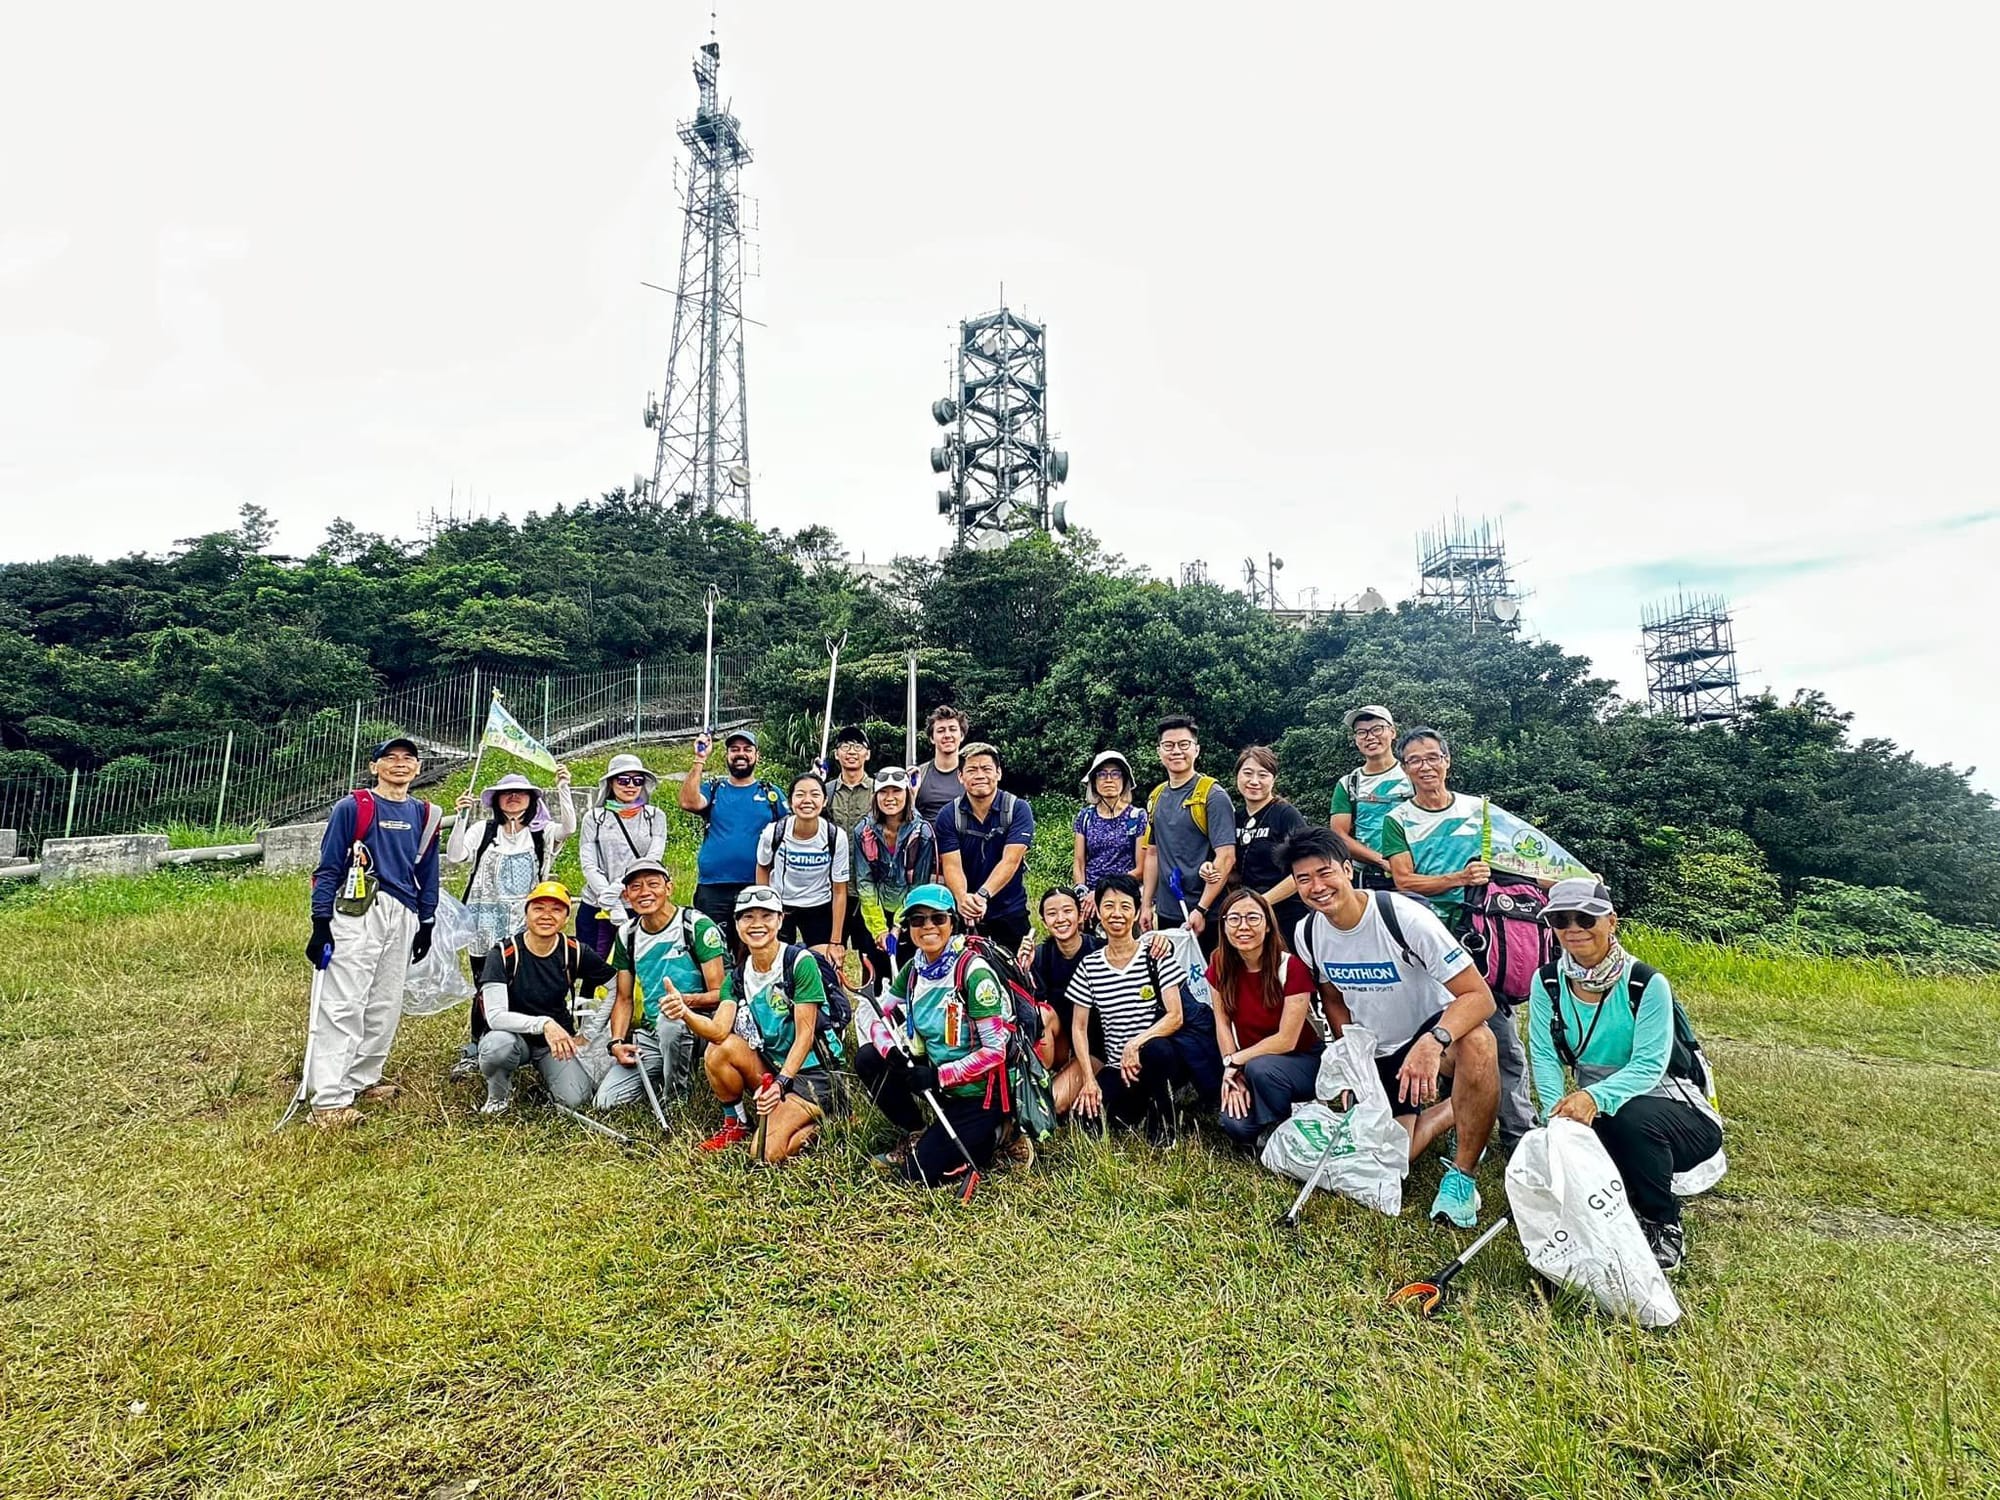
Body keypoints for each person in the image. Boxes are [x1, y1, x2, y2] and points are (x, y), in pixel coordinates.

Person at [1283, 827, 1501, 1229]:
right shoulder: (1308, 932)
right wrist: (1351, 1061)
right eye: (1304, 879)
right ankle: (1458, 1110)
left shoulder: (1402, 917)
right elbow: (1331, 997)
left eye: (1324, 872)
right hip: (1378, 1050)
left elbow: (1479, 997)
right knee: (1390, 1157)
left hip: (1432, 1031)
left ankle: (1462, 1176)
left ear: (1348, 870)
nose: (1317, 887)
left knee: (1479, 1041)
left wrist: (1432, 1042)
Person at [1527, 879, 1724, 1272]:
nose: (1573, 928)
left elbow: (1649, 1066)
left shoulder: (1647, 984)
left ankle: (1662, 1222)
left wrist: (1593, 1098)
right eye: (1560, 920)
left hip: (1671, 1107)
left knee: (1629, 1119)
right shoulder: (1547, 982)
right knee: (1566, 1140)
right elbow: (1544, 1056)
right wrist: (1555, 1116)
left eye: (1585, 917)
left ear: (1611, 921)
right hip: (1603, 1110)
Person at [1379, 726, 1537, 1147]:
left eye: (1432, 757)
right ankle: (1457, 1118)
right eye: (1414, 760)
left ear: (1447, 761)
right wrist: (1458, 878)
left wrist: (1571, 882)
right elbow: (1403, 880)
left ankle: (1519, 1134)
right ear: (1404, 769)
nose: (1425, 766)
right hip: (1424, 939)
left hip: (1484, 940)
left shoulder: (1480, 811)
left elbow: (1520, 859)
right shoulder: (1397, 820)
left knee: (1499, 1035)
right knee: (1436, 1030)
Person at [304, 736, 443, 1129]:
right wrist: (320, 924)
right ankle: (329, 1099)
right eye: (390, 758)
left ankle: (363, 1079)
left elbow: (428, 871)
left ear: (417, 769)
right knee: (345, 1001)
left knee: (385, 1002)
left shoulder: (426, 814)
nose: (400, 764)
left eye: (408, 759)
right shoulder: (354, 808)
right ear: (374, 766)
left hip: (403, 910)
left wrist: (427, 921)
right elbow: (328, 866)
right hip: (357, 909)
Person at [854, 885, 1013, 1187]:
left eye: (937, 918)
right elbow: (878, 1014)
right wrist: (890, 1050)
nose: (928, 926)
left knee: (915, 1177)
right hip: (936, 1082)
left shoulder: (973, 973)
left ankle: (1000, 1132)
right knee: (868, 1058)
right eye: (917, 920)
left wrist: (939, 1076)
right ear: (908, 928)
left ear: (952, 922)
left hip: (978, 1094)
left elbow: (996, 1050)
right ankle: (916, 1130)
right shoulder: (915, 968)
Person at [682, 886, 843, 1162]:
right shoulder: (738, 975)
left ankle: (832, 1118)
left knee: (764, 1154)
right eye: (747, 917)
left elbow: (805, 1035)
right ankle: (736, 1123)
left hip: (812, 1072)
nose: (757, 924)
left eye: (766, 916)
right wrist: (684, 1012)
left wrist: (781, 1084)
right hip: (772, 1067)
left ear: (780, 920)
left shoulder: (798, 962)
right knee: (718, 1050)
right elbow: (719, 1031)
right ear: (737, 924)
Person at [1068, 873, 1200, 1146]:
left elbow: (1175, 1016)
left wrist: (1135, 1045)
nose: (1117, 914)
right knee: (1087, 1121)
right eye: (1109, 906)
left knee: (1157, 1050)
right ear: (1098, 912)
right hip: (1118, 1067)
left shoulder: (1155, 954)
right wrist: (1089, 1080)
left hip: (1156, 1058)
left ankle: (1164, 1121)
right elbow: (1078, 1027)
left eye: (1125, 906)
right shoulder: (1089, 966)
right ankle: (1141, 1106)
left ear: (1137, 911)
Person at [472, 881, 617, 1116]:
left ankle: (551, 1076)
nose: (546, 916)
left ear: (566, 917)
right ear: (526, 912)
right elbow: (495, 1016)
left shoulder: (574, 950)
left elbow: (616, 987)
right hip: (512, 1036)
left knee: (575, 1100)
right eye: (538, 908)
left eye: (556, 909)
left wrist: (589, 1033)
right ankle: (498, 1096)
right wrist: (544, 1023)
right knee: (496, 1047)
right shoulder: (505, 953)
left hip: (555, 1044)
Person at [596, 859, 727, 1111]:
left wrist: (684, 1002)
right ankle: (663, 1068)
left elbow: (720, 994)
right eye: (635, 887)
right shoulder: (627, 934)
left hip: (699, 1025)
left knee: (671, 1021)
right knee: (606, 1102)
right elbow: (623, 998)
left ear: (669, 888)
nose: (644, 892)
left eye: (653, 884)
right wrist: (616, 1042)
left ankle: (676, 1100)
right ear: (626, 895)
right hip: (651, 1032)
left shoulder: (695, 925)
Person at [1207, 887, 1323, 1149]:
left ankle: (1280, 1124)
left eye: (1252, 918)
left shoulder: (1290, 967)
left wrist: (1238, 1061)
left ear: (1268, 925)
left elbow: (1286, 1040)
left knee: (1262, 1069)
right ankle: (1269, 1122)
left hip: (1300, 1060)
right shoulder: (1219, 963)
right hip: (1248, 1061)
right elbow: (1222, 1023)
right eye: (1233, 919)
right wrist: (1231, 1068)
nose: (1243, 926)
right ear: (1224, 927)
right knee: (1233, 1123)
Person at [447, 768, 578, 959]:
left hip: (524, 918)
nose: (513, 796)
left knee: (519, 971)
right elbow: (455, 855)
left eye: (520, 792)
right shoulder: (483, 829)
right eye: (507, 793)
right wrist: (461, 817)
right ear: (497, 800)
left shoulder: (541, 832)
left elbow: (569, 828)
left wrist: (563, 787)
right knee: (485, 976)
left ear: (531, 799)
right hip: (484, 919)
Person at [679, 728, 789, 931]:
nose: (741, 754)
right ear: (727, 755)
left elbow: (792, 829)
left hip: (757, 885)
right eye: (734, 749)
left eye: (747, 749)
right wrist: (699, 759)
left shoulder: (771, 793)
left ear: (757, 756)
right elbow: (688, 802)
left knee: (753, 948)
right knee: (711, 947)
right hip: (713, 886)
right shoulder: (714, 789)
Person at [1139, 715, 1236, 946]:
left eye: (1184, 745)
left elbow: (1227, 856)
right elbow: (1152, 853)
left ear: (1196, 750)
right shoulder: (1156, 796)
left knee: (1209, 979)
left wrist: (1201, 909)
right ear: (1159, 752)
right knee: (1172, 979)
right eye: (1168, 745)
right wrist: (1146, 904)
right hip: (1167, 910)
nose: (1176, 751)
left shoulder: (1213, 795)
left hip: (1207, 913)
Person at [933, 741, 1037, 950]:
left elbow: (1011, 860)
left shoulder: (1017, 809)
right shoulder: (948, 815)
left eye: (986, 768)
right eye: (971, 769)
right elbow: (951, 865)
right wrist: (963, 899)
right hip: (964, 912)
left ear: (998, 773)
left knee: (1016, 976)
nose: (980, 775)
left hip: (1009, 910)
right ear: (960, 777)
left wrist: (982, 896)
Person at [576, 755, 668, 961]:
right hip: (597, 903)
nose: (630, 786)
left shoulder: (655, 816)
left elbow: (652, 859)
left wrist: (620, 887)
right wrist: (611, 902)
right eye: (623, 780)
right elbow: (589, 863)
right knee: (593, 966)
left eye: (637, 781)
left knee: (639, 965)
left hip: (640, 901)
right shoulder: (594, 817)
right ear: (611, 782)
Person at [755, 771, 851, 962]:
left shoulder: (835, 836)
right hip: (782, 906)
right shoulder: (774, 832)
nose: (807, 800)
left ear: (824, 801)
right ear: (790, 802)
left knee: (825, 967)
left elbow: (840, 890)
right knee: (777, 964)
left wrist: (836, 941)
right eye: (800, 794)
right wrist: (766, 908)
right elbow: (763, 867)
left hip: (819, 906)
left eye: (815, 795)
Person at [852, 767, 937, 981]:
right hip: (874, 914)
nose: (890, 798)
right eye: (883, 792)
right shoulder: (863, 832)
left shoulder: (923, 833)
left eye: (896, 791)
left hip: (909, 913)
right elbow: (865, 882)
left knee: (908, 977)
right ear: (875, 796)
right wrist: (879, 929)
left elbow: (918, 885)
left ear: (907, 794)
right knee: (874, 978)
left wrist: (898, 927)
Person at [1229, 746, 1310, 941]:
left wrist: (1262, 903)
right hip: (1251, 916)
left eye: (1263, 775)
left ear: (1273, 779)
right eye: (1247, 773)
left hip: (1288, 913)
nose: (1254, 781)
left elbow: (1304, 870)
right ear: (1237, 776)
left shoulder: (1285, 814)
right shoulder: (1235, 818)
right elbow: (1235, 870)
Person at [1328, 705, 1412, 891]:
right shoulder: (1349, 783)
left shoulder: (1412, 775)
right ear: (1356, 740)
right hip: (1367, 878)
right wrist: (1381, 860)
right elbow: (1339, 836)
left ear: (1392, 732)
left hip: (1415, 871)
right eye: (1361, 732)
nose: (1370, 736)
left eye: (1377, 729)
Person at [1071, 750, 1146, 925]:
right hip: (1089, 902)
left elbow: (1141, 869)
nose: (1109, 779)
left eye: (1115, 774)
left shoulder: (1137, 817)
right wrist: (1082, 892)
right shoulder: (1085, 816)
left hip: (1124, 897)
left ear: (1124, 780)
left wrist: (1101, 892)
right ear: (1094, 782)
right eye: (1102, 774)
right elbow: (1079, 862)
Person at [908, 705, 968, 822]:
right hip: (926, 837)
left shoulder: (972, 774)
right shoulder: (917, 775)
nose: (947, 735)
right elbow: (905, 815)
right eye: (941, 731)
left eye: (952, 729)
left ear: (961, 735)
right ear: (931, 738)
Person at [824, 723, 878, 834]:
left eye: (858, 746)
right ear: (836, 754)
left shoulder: (879, 790)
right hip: (837, 851)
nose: (851, 752)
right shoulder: (826, 791)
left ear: (867, 754)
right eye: (845, 746)